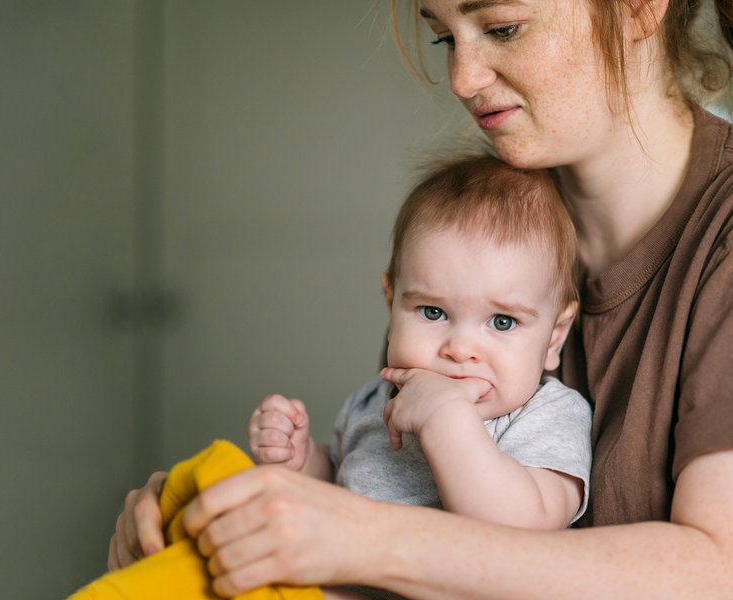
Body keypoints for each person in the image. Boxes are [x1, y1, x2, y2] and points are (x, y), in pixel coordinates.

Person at [107, 0, 733, 597]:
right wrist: (224, 535)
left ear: (637, 8)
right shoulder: (486, 253)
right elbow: (423, 530)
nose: (466, 77)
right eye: (446, 37)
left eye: (502, 25)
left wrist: (348, 536)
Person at [248, 154, 591, 533]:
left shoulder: (548, 416)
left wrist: (445, 418)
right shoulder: (374, 400)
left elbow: (527, 525)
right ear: (390, 303)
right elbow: (342, 482)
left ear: (553, 338)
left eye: (502, 321)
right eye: (432, 312)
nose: (460, 350)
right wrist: (302, 460)